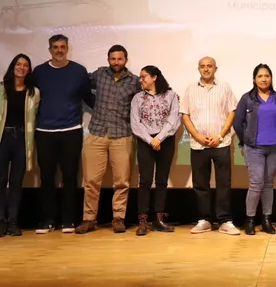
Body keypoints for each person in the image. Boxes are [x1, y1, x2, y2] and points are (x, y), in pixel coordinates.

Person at [75, 45, 141, 234]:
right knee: (91, 181)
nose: (116, 62)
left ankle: (118, 218)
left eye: (120, 59)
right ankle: (89, 220)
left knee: (121, 182)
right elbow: (81, 84)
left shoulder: (134, 81)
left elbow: (148, 94)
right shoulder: (99, 75)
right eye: (113, 59)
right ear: (108, 60)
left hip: (122, 135)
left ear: (126, 60)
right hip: (96, 132)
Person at [33, 34, 93, 234]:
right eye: (55, 47)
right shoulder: (39, 72)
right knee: (47, 177)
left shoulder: (79, 71)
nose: (59, 50)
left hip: (71, 131)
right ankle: (47, 220)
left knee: (70, 177)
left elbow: (89, 97)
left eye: (62, 47)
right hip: (44, 132)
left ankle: (68, 220)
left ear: (67, 49)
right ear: (50, 50)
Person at [180, 57, 240, 235]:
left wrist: (220, 135)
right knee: (200, 184)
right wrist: (197, 136)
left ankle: (225, 220)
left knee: (223, 183)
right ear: (198, 69)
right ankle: (204, 220)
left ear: (215, 68)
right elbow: (185, 115)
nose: (206, 69)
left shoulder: (225, 87)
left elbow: (232, 112)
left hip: (221, 143)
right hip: (198, 145)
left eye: (209, 66)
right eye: (202, 66)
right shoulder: (190, 89)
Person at [233, 64, 276, 235]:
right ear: (254, 79)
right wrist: (246, 141)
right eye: (260, 76)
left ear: (271, 78)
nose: (264, 79)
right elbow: (237, 122)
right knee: (256, 183)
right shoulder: (247, 98)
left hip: (275, 147)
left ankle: (266, 220)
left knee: (268, 183)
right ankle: (250, 219)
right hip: (254, 148)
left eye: (267, 76)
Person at [130, 66, 181, 236]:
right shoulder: (138, 98)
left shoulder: (171, 95)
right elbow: (135, 123)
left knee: (161, 180)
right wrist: (150, 139)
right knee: (145, 181)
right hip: (146, 141)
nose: (141, 80)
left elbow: (174, 119)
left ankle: (158, 219)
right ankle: (143, 220)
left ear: (154, 77)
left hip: (165, 141)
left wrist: (159, 138)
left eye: (144, 76)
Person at [0, 54, 39, 237]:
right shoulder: (2, 89)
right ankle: (1, 220)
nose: (21, 68)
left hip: (22, 140)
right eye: (18, 64)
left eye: (25, 65)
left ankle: (13, 221)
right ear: (12, 66)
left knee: (16, 182)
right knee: (1, 181)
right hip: (3, 139)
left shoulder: (33, 93)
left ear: (29, 69)